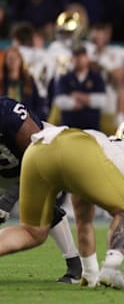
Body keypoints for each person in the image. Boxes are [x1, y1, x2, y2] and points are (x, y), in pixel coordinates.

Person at [0, 113, 124, 291]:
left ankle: (90, 274)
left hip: (39, 148)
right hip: (75, 150)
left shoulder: (104, 150)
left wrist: (90, 274)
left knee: (32, 232)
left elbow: (83, 222)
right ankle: (111, 269)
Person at [0, 96, 82, 284]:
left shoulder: (7, 112)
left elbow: (38, 156)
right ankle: (77, 267)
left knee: (40, 208)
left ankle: (79, 267)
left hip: (46, 154)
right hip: (8, 168)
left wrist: (6, 201)